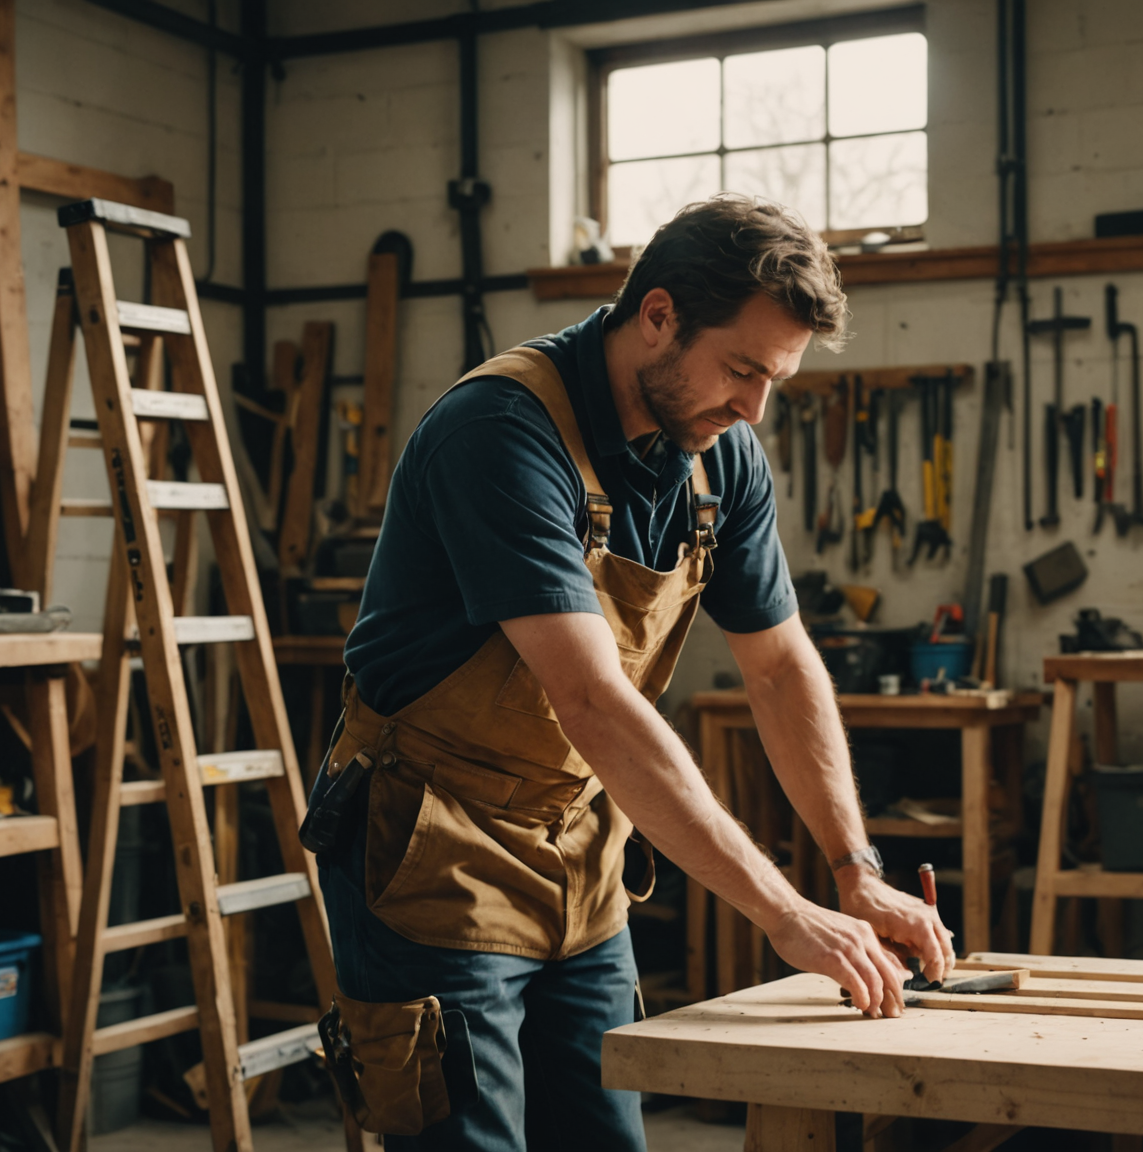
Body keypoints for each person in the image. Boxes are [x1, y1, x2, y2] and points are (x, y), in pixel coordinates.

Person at [308, 194, 952, 1151]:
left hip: (582, 848)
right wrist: (783, 912)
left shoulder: (720, 458)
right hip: (434, 850)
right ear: (657, 316)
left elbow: (781, 670)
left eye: (774, 381)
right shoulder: (500, 431)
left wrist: (853, 870)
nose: (753, 410)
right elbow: (593, 701)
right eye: (741, 370)